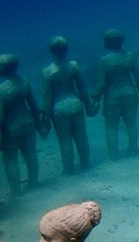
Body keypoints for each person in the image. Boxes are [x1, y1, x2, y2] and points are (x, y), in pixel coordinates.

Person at [0, 54, 47, 195]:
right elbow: (33, 104)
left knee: (10, 160)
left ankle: (16, 191)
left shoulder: (0, 91)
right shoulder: (24, 81)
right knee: (30, 156)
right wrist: (39, 125)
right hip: (28, 124)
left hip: (10, 130)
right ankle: (34, 183)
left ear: (4, 69)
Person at [41, 36, 95, 175]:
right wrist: (88, 106)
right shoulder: (74, 65)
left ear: (51, 51)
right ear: (66, 49)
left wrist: (45, 119)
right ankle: (85, 165)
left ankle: (69, 170)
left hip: (59, 109)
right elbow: (82, 89)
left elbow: (47, 97)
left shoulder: (48, 72)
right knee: (81, 137)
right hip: (76, 104)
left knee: (65, 141)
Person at [94, 29, 139, 160]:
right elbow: (138, 80)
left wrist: (94, 99)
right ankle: (133, 150)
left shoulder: (104, 61)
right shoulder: (131, 56)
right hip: (130, 93)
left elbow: (101, 85)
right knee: (131, 123)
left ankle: (113, 155)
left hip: (112, 97)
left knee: (111, 126)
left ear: (109, 41)